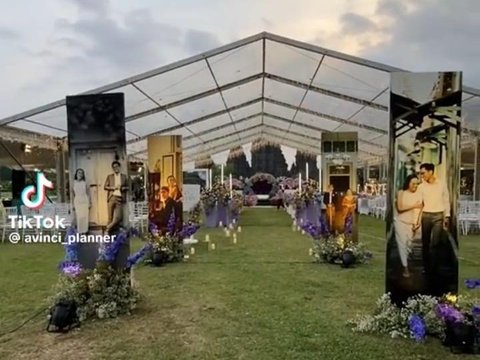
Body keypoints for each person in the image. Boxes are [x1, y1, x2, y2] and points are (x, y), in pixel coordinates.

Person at [417, 163, 450, 293]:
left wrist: (446, 216)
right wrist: (416, 220)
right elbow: (419, 204)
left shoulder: (441, 184)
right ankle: (426, 267)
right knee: (425, 242)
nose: (422, 175)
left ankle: (434, 268)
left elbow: (446, 199)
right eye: (420, 173)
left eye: (423, 173)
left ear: (431, 172)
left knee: (435, 243)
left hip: (438, 215)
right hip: (426, 215)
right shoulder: (421, 187)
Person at [394, 174, 423, 278]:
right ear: (408, 183)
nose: (415, 186)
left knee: (409, 245)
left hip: (412, 224)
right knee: (402, 245)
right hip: (400, 222)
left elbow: (420, 210)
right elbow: (400, 208)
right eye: (413, 183)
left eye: (417, 184)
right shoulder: (401, 193)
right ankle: (405, 268)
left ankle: (406, 263)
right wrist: (413, 206)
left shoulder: (420, 195)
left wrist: (418, 223)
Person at [104, 161, 128, 234]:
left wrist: (123, 188)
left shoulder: (124, 176)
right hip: (111, 197)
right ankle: (108, 232)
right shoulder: (109, 176)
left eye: (117, 166)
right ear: (113, 168)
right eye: (114, 167)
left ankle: (107, 228)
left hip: (119, 198)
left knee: (119, 217)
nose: (116, 168)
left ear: (119, 167)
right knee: (110, 217)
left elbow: (128, 186)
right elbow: (105, 187)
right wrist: (113, 188)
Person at [72, 168, 90, 234]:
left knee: (85, 216)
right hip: (77, 200)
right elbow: (73, 194)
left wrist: (89, 203)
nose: (80, 174)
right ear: (76, 174)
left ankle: (85, 231)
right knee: (79, 216)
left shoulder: (85, 183)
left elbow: (88, 193)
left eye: (81, 173)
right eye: (79, 173)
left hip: (84, 200)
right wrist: (73, 204)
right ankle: (80, 231)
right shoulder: (73, 183)